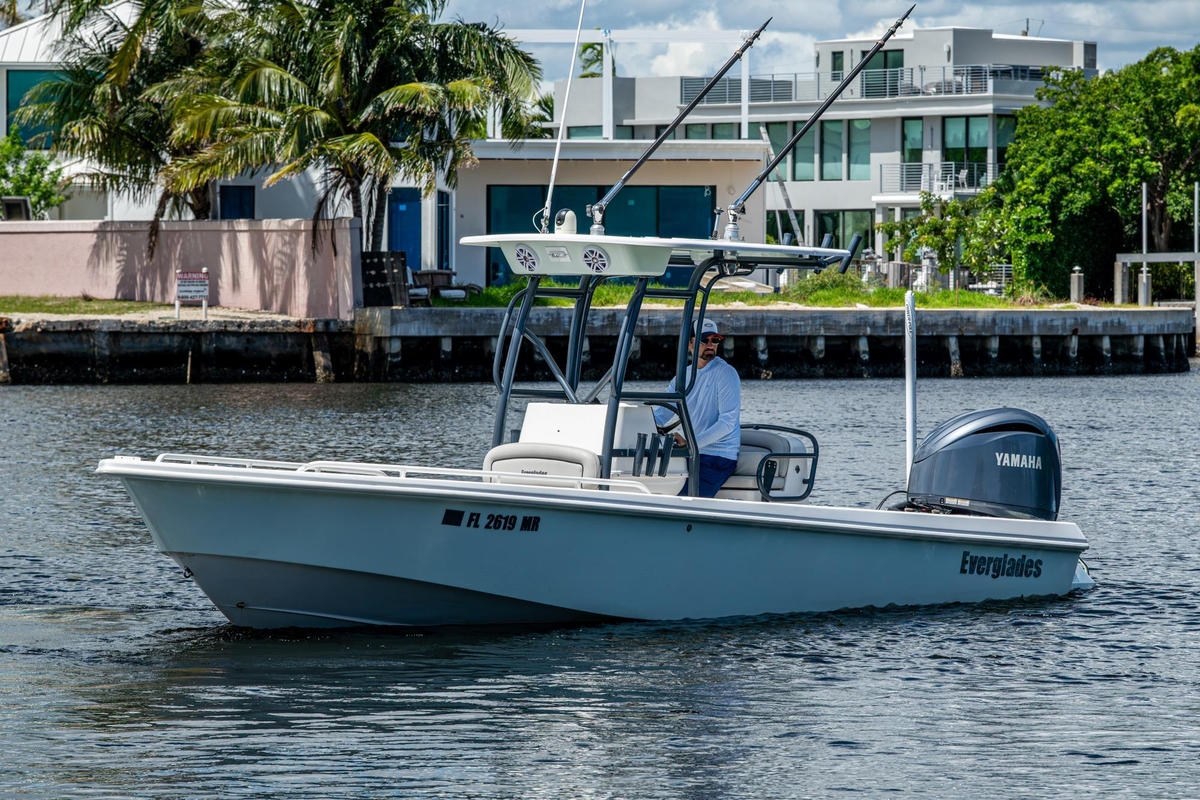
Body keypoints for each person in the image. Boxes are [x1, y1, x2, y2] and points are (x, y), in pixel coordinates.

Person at [654, 318, 741, 498]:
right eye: (703, 340)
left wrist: (690, 443)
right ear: (690, 344)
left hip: (717, 458)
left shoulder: (726, 373)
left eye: (714, 340)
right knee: (653, 487)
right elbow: (660, 415)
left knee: (678, 499)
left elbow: (727, 422)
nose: (710, 345)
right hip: (692, 454)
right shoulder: (682, 377)